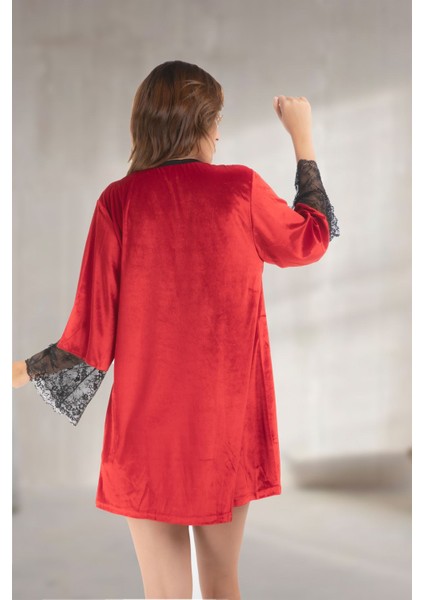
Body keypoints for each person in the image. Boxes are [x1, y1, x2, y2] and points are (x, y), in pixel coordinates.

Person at [12, 60, 340, 600]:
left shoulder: (118, 201)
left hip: (147, 434)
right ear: (200, 123)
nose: (219, 134)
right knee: (221, 584)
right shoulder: (239, 189)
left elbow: (90, 339)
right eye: (217, 121)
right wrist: (302, 139)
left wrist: (19, 372)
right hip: (223, 427)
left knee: (164, 594)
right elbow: (312, 236)